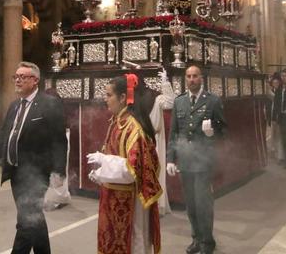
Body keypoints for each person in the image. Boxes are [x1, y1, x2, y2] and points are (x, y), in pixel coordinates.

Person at [0, 61, 67, 254]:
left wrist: (59, 171)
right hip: (16, 172)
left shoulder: (49, 104)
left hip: (37, 173)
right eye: (16, 76)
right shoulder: (15, 105)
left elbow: (59, 140)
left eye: (23, 77)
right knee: (33, 218)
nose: (18, 80)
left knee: (26, 221)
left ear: (35, 81)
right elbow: (3, 136)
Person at [87, 74, 162, 254]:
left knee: (133, 242)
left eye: (108, 95)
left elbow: (132, 169)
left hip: (131, 201)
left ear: (122, 98)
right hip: (114, 194)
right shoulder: (118, 121)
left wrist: (104, 163)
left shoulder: (132, 127)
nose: (105, 99)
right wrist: (100, 172)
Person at [166, 65, 226, 254]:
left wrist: (212, 132)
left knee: (203, 203)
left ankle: (207, 242)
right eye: (189, 76)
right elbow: (174, 133)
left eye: (195, 76)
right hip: (185, 161)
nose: (191, 79)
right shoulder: (180, 102)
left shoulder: (213, 101)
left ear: (201, 78)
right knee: (191, 204)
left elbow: (224, 131)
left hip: (203, 161)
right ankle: (196, 239)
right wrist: (170, 159)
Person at [149, 68, 175, 215]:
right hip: (137, 140)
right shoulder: (129, 99)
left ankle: (157, 205)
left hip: (154, 139)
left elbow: (170, 102)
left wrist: (165, 82)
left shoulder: (157, 98)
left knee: (155, 173)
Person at [266, 74, 284, 164]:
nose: (275, 84)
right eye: (274, 83)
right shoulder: (274, 91)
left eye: (277, 82)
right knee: (273, 136)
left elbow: (274, 99)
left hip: (279, 117)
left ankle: (280, 156)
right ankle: (273, 151)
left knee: (279, 136)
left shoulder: (280, 92)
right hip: (272, 117)